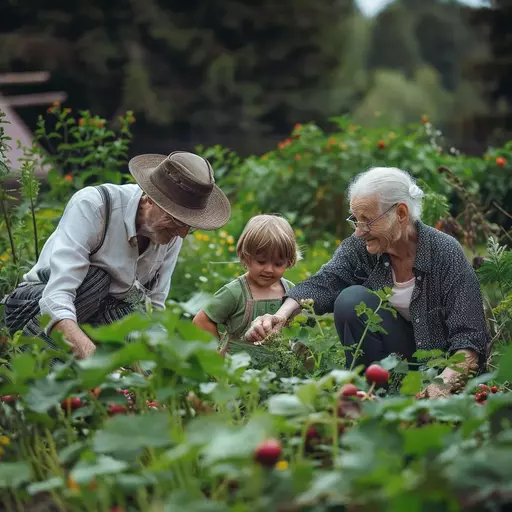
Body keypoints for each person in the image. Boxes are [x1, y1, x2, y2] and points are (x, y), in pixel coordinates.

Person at [245, 167, 491, 398]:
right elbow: (326, 281)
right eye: (355, 219)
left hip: (439, 371)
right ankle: (370, 397)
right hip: (393, 364)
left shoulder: (445, 254)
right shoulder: (360, 247)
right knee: (351, 300)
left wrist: (441, 388)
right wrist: (281, 315)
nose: (359, 231)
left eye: (367, 220)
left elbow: (469, 342)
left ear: (401, 214)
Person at [3, 151, 231, 361]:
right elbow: (55, 299)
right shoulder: (95, 206)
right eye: (177, 221)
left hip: (102, 316)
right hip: (34, 307)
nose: (181, 234)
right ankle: (30, 362)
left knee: (146, 343)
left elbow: (153, 309)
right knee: (96, 281)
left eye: (189, 226)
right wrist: (93, 360)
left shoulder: (169, 234)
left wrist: (174, 360)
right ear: (150, 198)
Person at [193, 214, 300, 363]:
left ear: (289, 262)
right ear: (245, 257)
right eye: (261, 261)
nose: (269, 269)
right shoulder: (234, 292)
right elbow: (201, 321)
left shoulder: (289, 290)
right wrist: (217, 356)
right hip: (238, 370)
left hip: (279, 370)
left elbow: (295, 329)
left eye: (278, 263)